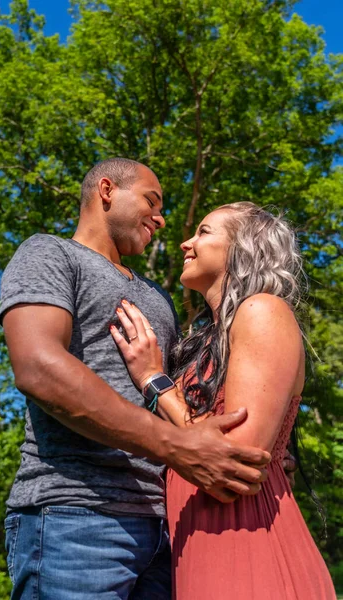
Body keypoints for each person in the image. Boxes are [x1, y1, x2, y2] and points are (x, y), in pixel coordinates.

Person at [0, 159, 274, 599]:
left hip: (166, 530)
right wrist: (176, 447)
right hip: (75, 516)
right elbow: (38, 368)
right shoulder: (49, 253)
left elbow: (184, 397)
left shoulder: (160, 298)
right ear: (107, 190)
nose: (163, 218)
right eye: (152, 200)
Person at [110, 202, 336, 599]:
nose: (186, 242)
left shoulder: (263, 310)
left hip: (251, 545)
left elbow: (234, 460)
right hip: (195, 548)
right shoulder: (209, 340)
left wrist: (155, 381)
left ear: (243, 247)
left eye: (204, 231)